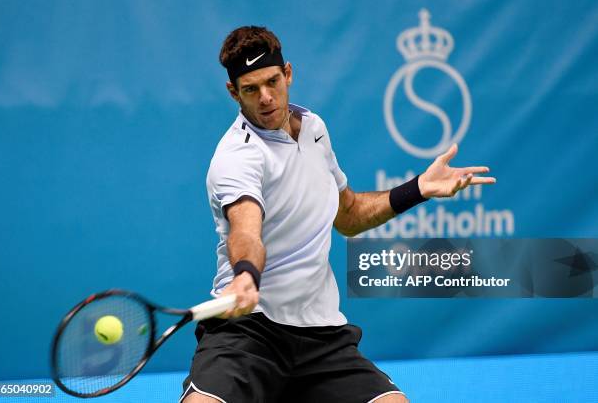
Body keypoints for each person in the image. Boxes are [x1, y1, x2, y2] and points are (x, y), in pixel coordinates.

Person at [180, 26, 495, 403]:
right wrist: (246, 275)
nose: (266, 98)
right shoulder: (236, 156)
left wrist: (419, 188)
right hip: (249, 330)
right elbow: (246, 232)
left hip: (320, 334)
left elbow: (348, 214)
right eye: (251, 89)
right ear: (233, 92)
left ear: (289, 74)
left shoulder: (313, 128)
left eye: (272, 82)